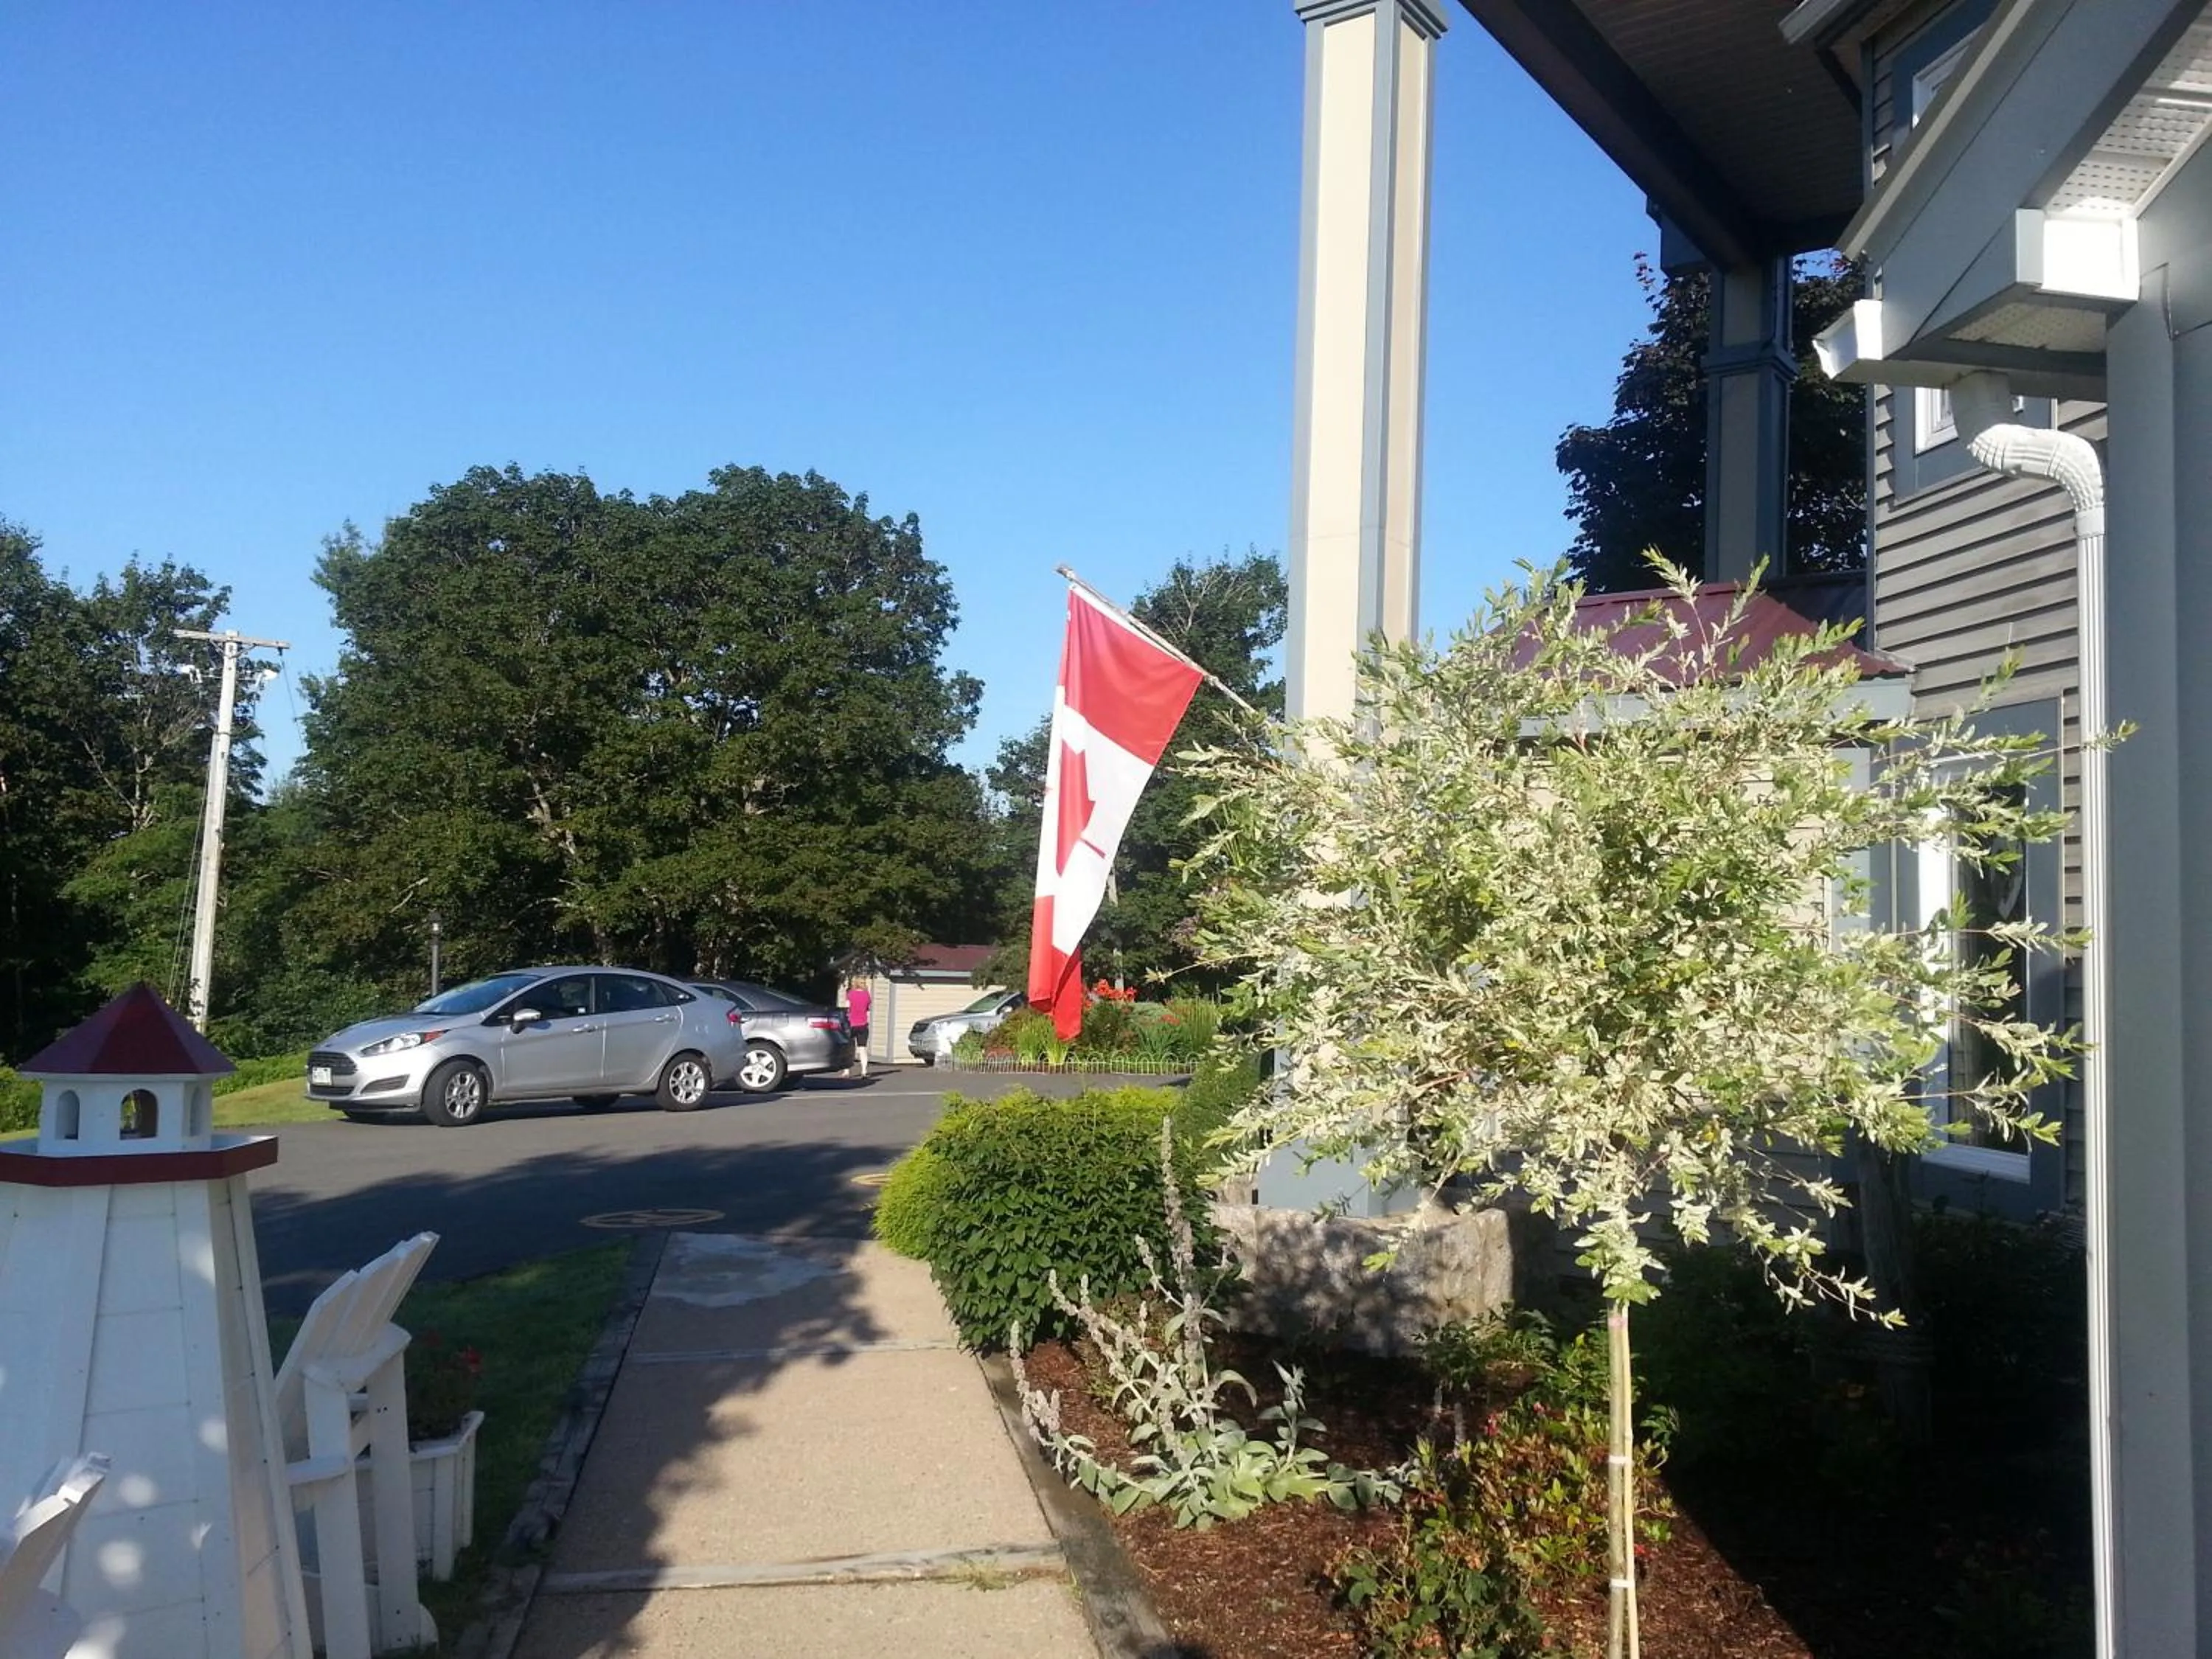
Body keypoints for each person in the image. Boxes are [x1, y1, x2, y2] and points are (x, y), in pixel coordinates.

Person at [846, 981, 872, 1077]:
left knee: (849, 1047)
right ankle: (864, 1071)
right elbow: (868, 1010)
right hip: (863, 1024)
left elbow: (847, 1008)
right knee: (862, 1049)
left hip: (852, 1024)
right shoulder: (867, 996)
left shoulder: (850, 994)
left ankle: (847, 1071)